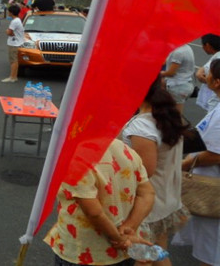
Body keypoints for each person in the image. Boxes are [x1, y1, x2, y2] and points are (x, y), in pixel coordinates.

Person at [44, 138, 155, 266]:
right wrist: (129, 228)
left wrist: (119, 239)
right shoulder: (124, 149)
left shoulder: (77, 155)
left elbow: (93, 212)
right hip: (125, 247)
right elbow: (147, 193)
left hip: (84, 249)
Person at [121, 78, 191, 266]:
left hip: (147, 205)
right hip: (165, 198)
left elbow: (144, 172)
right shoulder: (166, 115)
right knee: (158, 253)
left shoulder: (141, 126)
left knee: (142, 258)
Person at [173, 58, 220, 266]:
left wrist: (184, 165)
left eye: (209, 73)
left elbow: (216, 154)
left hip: (212, 191)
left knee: (211, 247)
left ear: (216, 82)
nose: (205, 75)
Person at [160, 43, 196, 113]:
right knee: (172, 113)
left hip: (178, 87)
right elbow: (166, 61)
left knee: (176, 116)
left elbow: (171, 73)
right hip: (184, 83)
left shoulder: (178, 52)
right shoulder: (187, 47)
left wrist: (159, 74)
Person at [195, 34, 220, 112]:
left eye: (203, 45)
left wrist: (201, 77)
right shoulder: (216, 57)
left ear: (208, 45)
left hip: (215, 100)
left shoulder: (218, 60)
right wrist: (199, 72)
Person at [2, 5, 24, 83]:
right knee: (14, 60)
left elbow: (9, 32)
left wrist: (7, 31)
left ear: (11, 12)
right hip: (17, 42)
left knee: (13, 61)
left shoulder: (14, 21)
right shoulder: (18, 20)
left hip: (14, 43)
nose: (8, 12)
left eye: (9, 11)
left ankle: (12, 77)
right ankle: (14, 76)